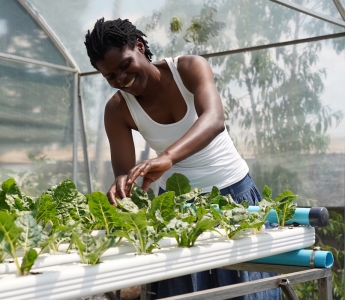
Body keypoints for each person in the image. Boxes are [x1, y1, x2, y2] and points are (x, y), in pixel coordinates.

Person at [84, 18, 280, 300]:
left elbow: (214, 120)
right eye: (110, 76)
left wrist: (167, 158)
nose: (121, 79)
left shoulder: (188, 68)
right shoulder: (117, 109)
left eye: (124, 65)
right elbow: (125, 173)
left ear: (139, 47)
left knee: (245, 292)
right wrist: (121, 187)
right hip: (179, 210)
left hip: (234, 195)